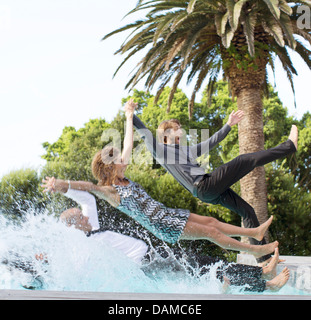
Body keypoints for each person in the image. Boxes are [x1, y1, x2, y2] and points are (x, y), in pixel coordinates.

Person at [41, 99, 279, 260]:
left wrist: (128, 115)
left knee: (210, 221)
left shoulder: (122, 175)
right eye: (120, 161)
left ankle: (255, 232)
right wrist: (62, 185)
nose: (126, 161)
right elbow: (90, 187)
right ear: (111, 168)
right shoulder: (110, 191)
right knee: (212, 234)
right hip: (164, 225)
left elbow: (127, 141)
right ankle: (257, 250)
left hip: (169, 213)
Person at [40, 181, 290, 292]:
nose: (86, 218)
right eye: (80, 218)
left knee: (204, 265)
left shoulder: (90, 224)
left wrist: (60, 186)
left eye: (83, 216)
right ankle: (262, 280)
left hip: (155, 256)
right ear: (73, 227)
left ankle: (262, 280)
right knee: (205, 268)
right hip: (148, 266)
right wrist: (48, 260)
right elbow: (76, 271)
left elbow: (86, 197)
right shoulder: (81, 247)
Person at [131, 106, 298, 263]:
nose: (181, 130)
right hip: (204, 186)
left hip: (206, 191)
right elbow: (144, 132)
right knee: (243, 160)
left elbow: (210, 142)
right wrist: (131, 114)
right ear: (166, 135)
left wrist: (228, 125)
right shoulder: (161, 151)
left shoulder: (185, 151)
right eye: (176, 128)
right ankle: (289, 146)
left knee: (247, 211)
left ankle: (264, 259)